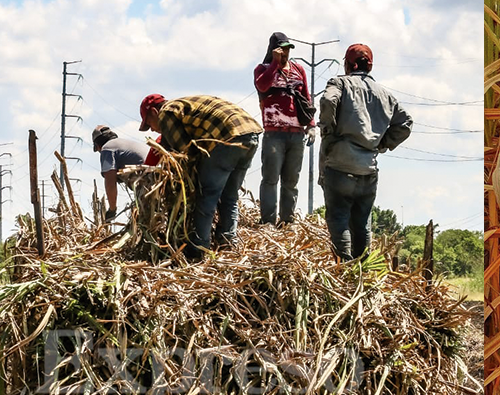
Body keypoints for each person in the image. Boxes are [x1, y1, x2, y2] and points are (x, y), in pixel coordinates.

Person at [318, 43, 413, 261]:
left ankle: (343, 271)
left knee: (339, 219)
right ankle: (361, 273)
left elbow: (328, 100)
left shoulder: (339, 83)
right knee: (362, 224)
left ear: (348, 65)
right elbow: (406, 123)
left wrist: (327, 130)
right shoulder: (385, 95)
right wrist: (382, 144)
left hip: (339, 166)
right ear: (370, 66)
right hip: (369, 169)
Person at [137, 93, 263, 255]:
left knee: (206, 194)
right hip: (249, 133)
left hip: (228, 136)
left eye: (149, 124)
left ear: (154, 112)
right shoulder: (184, 106)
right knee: (229, 196)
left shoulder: (166, 113)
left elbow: (186, 153)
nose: (153, 130)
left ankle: (199, 248)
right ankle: (227, 244)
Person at [254, 31, 316, 225]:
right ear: (274, 51)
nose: (285, 54)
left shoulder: (299, 69)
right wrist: (274, 63)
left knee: (291, 182)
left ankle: (287, 222)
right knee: (270, 179)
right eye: (282, 50)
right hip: (274, 134)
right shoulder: (263, 69)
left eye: (288, 50)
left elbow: (306, 98)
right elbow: (262, 87)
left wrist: (311, 125)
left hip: (296, 134)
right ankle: (268, 223)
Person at [91, 125, 150, 221]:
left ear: (97, 146)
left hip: (147, 182)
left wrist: (112, 209)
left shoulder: (107, 149)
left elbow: (110, 182)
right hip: (160, 177)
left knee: (142, 221)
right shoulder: (123, 144)